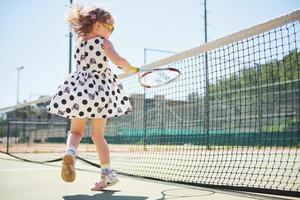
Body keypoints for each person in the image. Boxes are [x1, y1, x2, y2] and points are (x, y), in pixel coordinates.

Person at [47, 4, 139, 191]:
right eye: (110, 27)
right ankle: (106, 174)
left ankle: (71, 153)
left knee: (75, 132)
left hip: (78, 92)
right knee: (98, 136)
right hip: (99, 94)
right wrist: (128, 67)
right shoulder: (103, 42)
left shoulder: (80, 45)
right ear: (98, 25)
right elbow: (118, 60)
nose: (111, 32)